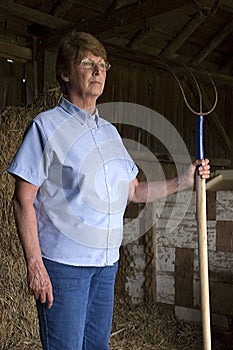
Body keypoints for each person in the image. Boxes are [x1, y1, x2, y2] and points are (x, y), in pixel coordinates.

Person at [7, 29, 210, 350]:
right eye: (87, 63)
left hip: (105, 265)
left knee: (97, 347)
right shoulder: (46, 127)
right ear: (64, 72)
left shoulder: (110, 133)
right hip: (65, 265)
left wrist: (183, 181)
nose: (98, 71)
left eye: (103, 65)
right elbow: (22, 200)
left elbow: (136, 191)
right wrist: (35, 266)